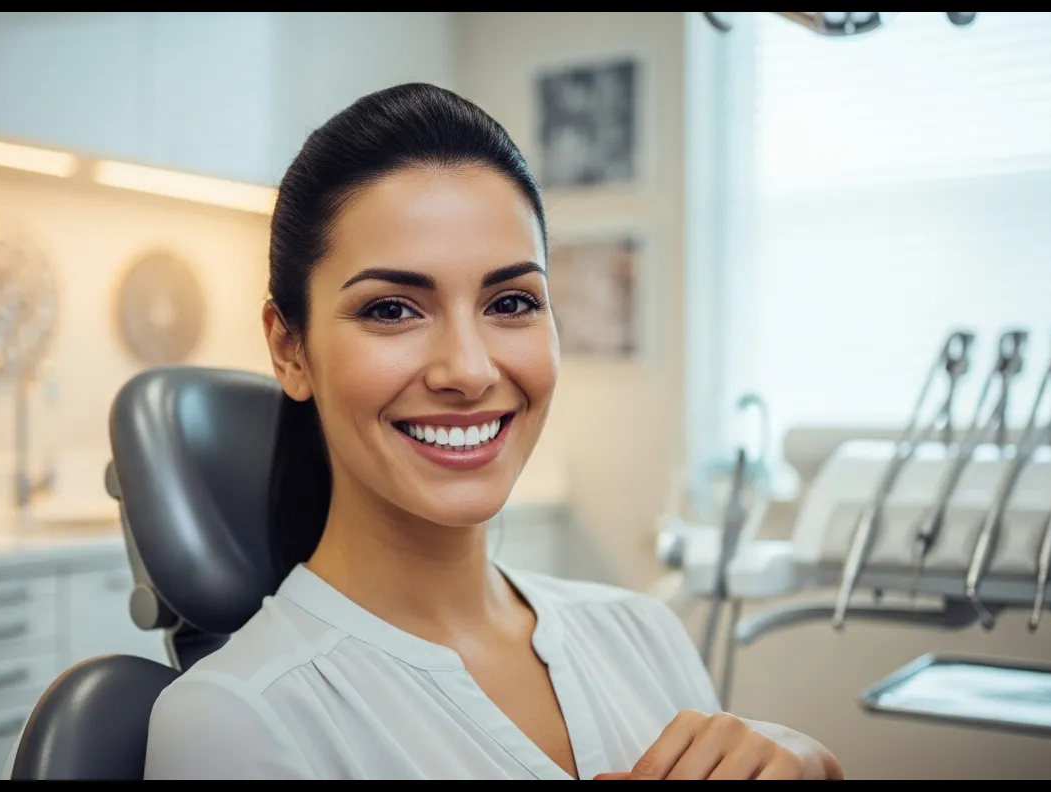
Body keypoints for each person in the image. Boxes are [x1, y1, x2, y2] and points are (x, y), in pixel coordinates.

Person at [143, 83, 843, 781]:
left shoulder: (643, 632)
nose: (470, 371)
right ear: (289, 350)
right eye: (391, 310)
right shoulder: (232, 719)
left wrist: (814, 767)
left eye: (510, 302)